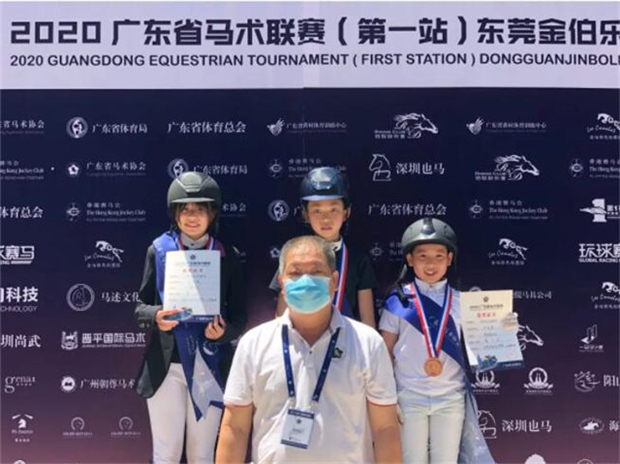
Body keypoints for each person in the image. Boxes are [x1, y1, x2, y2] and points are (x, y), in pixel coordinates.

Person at [216, 235, 401, 463]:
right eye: (295, 273)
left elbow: (385, 429)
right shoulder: (254, 343)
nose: (305, 280)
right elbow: (235, 427)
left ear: (334, 281)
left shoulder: (368, 343)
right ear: (282, 283)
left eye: (316, 272)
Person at [133, 171, 246, 463]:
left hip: (208, 365)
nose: (191, 216)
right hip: (166, 368)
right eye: (184, 209)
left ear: (212, 213)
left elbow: (239, 317)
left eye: (199, 209)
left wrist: (224, 332)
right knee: (166, 453)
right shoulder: (158, 250)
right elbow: (139, 308)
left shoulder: (226, 255)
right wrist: (156, 315)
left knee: (202, 455)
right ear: (175, 213)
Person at [379, 218, 497, 464]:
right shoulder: (397, 302)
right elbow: (384, 351)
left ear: (449, 259)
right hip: (408, 396)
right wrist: (389, 396)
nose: (431, 264)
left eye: (439, 256)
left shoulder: (462, 301)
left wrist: (503, 329)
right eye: (422, 256)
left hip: (450, 397)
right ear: (409, 259)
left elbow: (486, 354)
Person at [271, 167, 378, 327]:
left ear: (346, 212)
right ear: (305, 215)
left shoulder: (358, 259)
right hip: (300, 337)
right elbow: (281, 317)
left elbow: (367, 320)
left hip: (346, 339)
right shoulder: (293, 256)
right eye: (317, 211)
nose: (326, 219)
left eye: (333, 210)